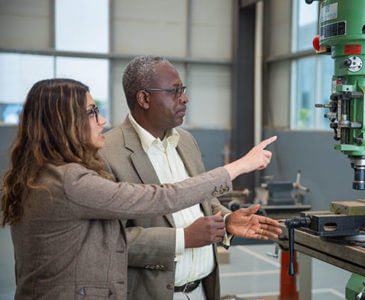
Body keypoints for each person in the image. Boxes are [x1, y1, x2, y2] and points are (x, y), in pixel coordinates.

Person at [0, 78, 276, 300]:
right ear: (63, 122)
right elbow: (162, 198)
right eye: (92, 112)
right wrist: (237, 167)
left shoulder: (45, 174)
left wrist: (226, 221)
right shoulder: (70, 180)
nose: (102, 121)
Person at [99, 56, 282, 300]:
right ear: (144, 98)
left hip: (202, 291)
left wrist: (226, 221)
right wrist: (181, 239)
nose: (184, 98)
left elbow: (203, 201)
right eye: (174, 92)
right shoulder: (107, 154)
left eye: (182, 90)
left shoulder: (185, 141)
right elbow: (107, 243)